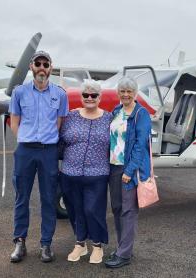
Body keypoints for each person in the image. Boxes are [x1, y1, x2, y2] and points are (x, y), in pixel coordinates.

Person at [8, 50, 68, 263]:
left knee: (48, 198)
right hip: (25, 150)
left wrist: (44, 139)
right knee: (21, 197)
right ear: (32, 66)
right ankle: (20, 242)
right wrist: (24, 137)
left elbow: (59, 123)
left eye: (46, 64)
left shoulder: (60, 94)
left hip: (48, 152)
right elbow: (14, 120)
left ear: (51, 68)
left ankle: (46, 244)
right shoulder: (20, 92)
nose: (41, 67)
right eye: (38, 63)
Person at [59, 79, 113, 264]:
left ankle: (97, 246)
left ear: (100, 97)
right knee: (75, 210)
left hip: (97, 173)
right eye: (86, 95)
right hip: (70, 172)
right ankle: (80, 244)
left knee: (93, 210)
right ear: (81, 97)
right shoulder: (70, 116)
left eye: (94, 95)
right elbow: (59, 138)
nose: (89, 98)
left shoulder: (109, 118)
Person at [105, 76, 152, 268]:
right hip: (113, 166)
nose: (125, 94)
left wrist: (130, 170)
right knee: (116, 208)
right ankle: (121, 247)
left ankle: (124, 254)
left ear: (135, 93)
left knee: (128, 211)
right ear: (118, 93)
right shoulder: (117, 111)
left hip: (128, 169)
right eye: (122, 91)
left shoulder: (142, 114)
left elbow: (141, 146)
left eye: (129, 91)